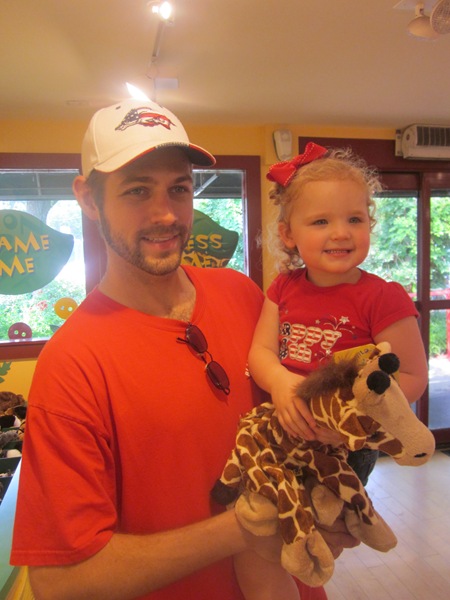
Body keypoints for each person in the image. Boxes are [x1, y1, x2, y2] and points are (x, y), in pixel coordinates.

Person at [10, 101, 357, 600]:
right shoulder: (73, 364)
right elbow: (61, 582)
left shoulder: (242, 294)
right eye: (137, 190)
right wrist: (245, 527)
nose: (166, 214)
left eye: (179, 188)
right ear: (88, 198)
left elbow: (298, 424)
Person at [248, 141, 429, 484]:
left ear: (369, 224)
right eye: (320, 221)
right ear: (288, 234)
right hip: (286, 427)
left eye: (354, 219)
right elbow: (261, 351)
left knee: (337, 512)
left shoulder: (384, 298)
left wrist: (354, 420)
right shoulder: (283, 287)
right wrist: (279, 381)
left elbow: (412, 377)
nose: (341, 233)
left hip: (347, 442)